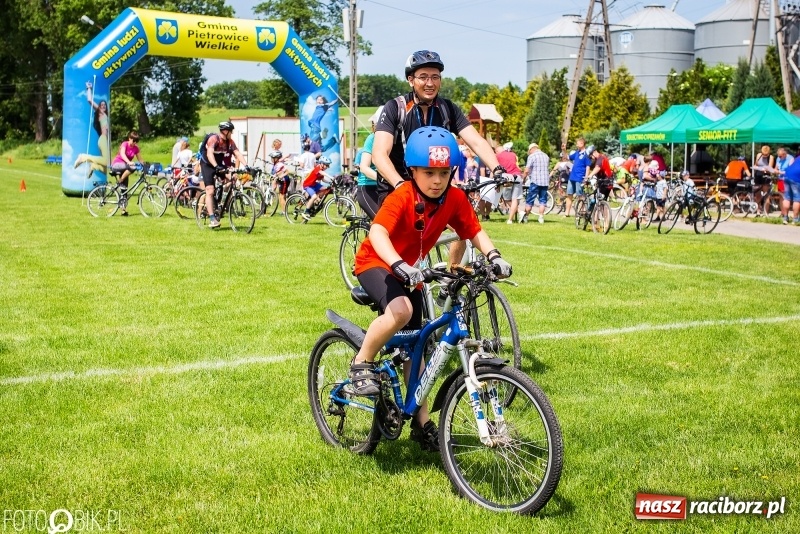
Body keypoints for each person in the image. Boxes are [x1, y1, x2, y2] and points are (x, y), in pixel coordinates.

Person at [349, 126, 512, 451]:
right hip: (377, 262)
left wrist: (494, 256)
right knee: (401, 311)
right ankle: (361, 363)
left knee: (418, 346)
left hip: (410, 270)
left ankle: (421, 423)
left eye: (443, 173)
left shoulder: (454, 198)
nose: (437, 180)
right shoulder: (402, 196)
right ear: (412, 171)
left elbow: (473, 230)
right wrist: (397, 264)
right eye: (428, 173)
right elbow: (378, 233)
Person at [372, 50, 506, 263]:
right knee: (401, 243)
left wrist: (497, 169)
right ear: (410, 80)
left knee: (463, 223)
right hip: (397, 185)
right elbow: (379, 154)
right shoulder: (396, 108)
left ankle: (452, 276)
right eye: (423, 77)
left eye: (435, 77)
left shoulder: (447, 109)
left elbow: (476, 141)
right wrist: (399, 184)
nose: (430, 83)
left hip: (434, 184)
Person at [199, 121, 247, 229]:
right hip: (207, 164)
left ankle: (219, 202)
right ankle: (212, 219)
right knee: (210, 190)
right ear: (225, 131)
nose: (232, 133)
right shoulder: (214, 139)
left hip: (219, 164)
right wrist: (216, 166)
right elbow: (209, 154)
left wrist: (246, 165)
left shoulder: (230, 142)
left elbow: (237, 153)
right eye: (231, 131)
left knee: (232, 177)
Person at [73, 82, 110, 176]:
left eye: (104, 105)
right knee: (106, 162)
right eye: (101, 105)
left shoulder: (106, 116)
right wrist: (89, 88)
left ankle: (94, 166)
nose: (103, 106)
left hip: (104, 141)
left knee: (106, 169)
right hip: (103, 139)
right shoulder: (101, 113)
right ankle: (83, 157)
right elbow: (90, 100)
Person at [355, 106, 383, 219]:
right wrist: (383, 179)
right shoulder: (372, 139)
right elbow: (364, 168)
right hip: (368, 188)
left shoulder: (395, 139)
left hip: (383, 189)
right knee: (381, 222)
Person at [109, 131, 145, 216]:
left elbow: (140, 159)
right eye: (133, 141)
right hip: (117, 164)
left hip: (125, 168)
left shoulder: (136, 148)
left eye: (136, 141)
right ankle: (121, 180)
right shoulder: (124, 144)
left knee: (124, 190)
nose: (134, 143)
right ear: (129, 138)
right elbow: (122, 154)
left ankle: (123, 210)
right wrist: (129, 162)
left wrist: (146, 165)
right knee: (133, 167)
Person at [496, 142, 524, 224]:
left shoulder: (498, 156)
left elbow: (497, 169)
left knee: (507, 198)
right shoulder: (513, 154)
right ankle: (512, 218)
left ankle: (517, 214)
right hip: (517, 176)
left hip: (507, 177)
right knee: (515, 198)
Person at [522, 143, 550, 224]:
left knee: (530, 200)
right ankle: (541, 217)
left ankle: (526, 217)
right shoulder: (546, 156)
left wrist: (523, 179)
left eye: (529, 151)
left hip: (535, 181)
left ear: (531, 149)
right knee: (543, 200)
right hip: (545, 181)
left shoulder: (532, 156)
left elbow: (527, 170)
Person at [563, 137, 590, 217]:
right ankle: (567, 213)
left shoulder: (586, 154)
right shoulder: (577, 152)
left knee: (580, 195)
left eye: (578, 143)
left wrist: (586, 177)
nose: (576, 144)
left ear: (582, 144)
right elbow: (568, 157)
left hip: (580, 177)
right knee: (569, 194)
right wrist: (564, 150)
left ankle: (581, 212)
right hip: (572, 177)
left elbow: (588, 166)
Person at [301, 156, 334, 220]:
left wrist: (329, 182)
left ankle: (316, 202)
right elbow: (321, 172)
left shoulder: (321, 170)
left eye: (328, 165)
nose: (327, 167)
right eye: (326, 165)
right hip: (308, 185)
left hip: (314, 184)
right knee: (314, 197)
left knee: (325, 189)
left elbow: (323, 179)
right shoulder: (317, 168)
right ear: (321, 164)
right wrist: (330, 177)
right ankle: (306, 212)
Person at [775, 147, 795, 223]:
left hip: (787, 179)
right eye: (778, 156)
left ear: (785, 154)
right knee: (781, 196)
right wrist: (775, 170)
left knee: (787, 197)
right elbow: (776, 167)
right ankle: (783, 213)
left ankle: (791, 214)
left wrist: (781, 172)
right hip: (780, 179)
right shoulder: (778, 158)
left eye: (780, 156)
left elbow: (791, 170)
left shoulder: (790, 158)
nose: (779, 157)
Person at [782, 155, 800, 225]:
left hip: (787, 175)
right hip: (796, 177)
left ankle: (785, 218)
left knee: (787, 198)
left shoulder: (798, 157)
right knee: (797, 199)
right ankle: (795, 219)